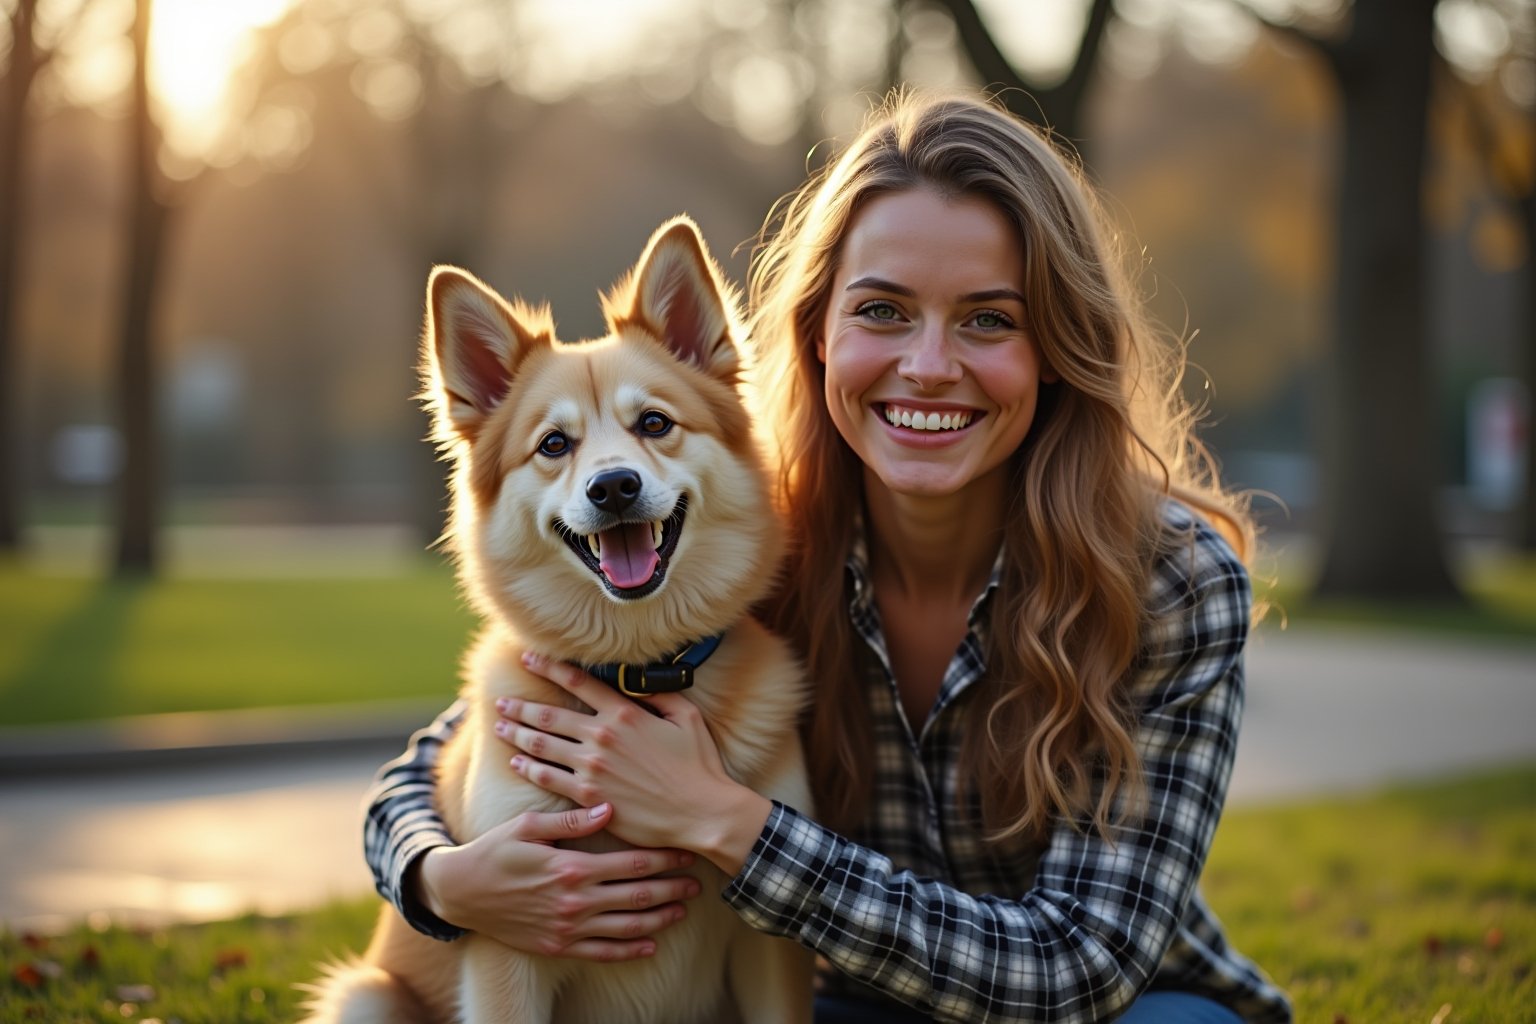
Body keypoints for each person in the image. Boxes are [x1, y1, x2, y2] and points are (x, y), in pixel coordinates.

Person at [363, 90, 1293, 1023]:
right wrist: (437, 880)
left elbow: (1078, 968)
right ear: (816, 333)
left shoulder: (1171, 580)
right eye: (884, 310)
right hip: (868, 1005)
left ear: (1056, 343)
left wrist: (725, 822)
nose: (929, 366)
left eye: (988, 319)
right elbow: (439, 761)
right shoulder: (742, 549)